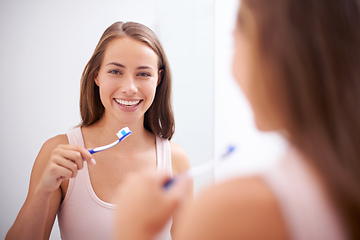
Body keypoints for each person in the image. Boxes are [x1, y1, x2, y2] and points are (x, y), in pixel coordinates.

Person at [113, 0, 360, 239]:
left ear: (273, 51)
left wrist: (134, 230)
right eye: (116, 71)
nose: (130, 87)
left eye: (234, 41)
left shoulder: (231, 212)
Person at [6, 21, 192, 240]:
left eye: (143, 74)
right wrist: (43, 192)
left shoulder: (175, 160)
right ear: (96, 75)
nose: (130, 88)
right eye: (115, 71)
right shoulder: (59, 152)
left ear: (158, 79)